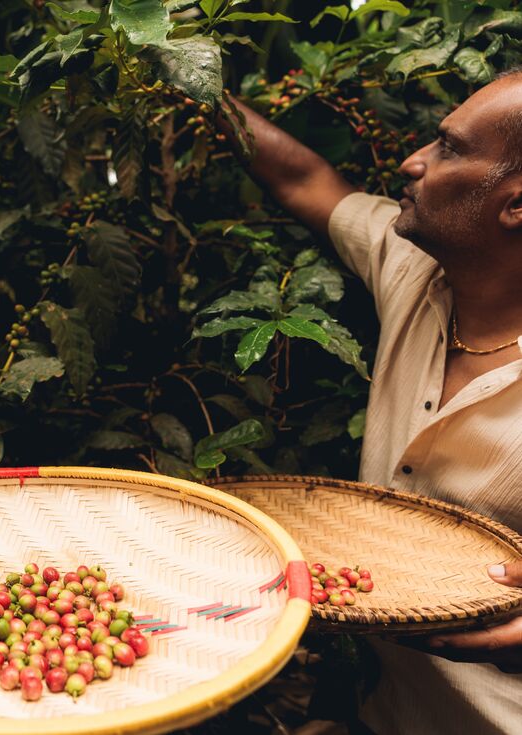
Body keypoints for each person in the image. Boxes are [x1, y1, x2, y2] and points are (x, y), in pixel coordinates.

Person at [221, 71, 522, 732]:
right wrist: (191, 85)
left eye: (448, 148)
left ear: (517, 203)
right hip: (381, 710)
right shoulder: (414, 270)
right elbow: (306, 180)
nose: (413, 161)